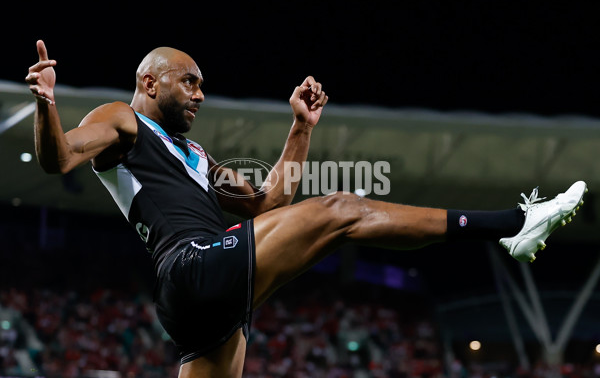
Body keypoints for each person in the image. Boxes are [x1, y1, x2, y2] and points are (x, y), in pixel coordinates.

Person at [27, 39, 586, 378]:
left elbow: (271, 203)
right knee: (342, 208)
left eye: (202, 87)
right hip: (193, 265)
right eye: (190, 83)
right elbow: (59, 159)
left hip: (204, 300)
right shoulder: (122, 120)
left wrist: (300, 128)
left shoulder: (196, 154)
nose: (199, 95)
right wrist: (47, 103)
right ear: (149, 81)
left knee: (323, 215)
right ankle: (514, 224)